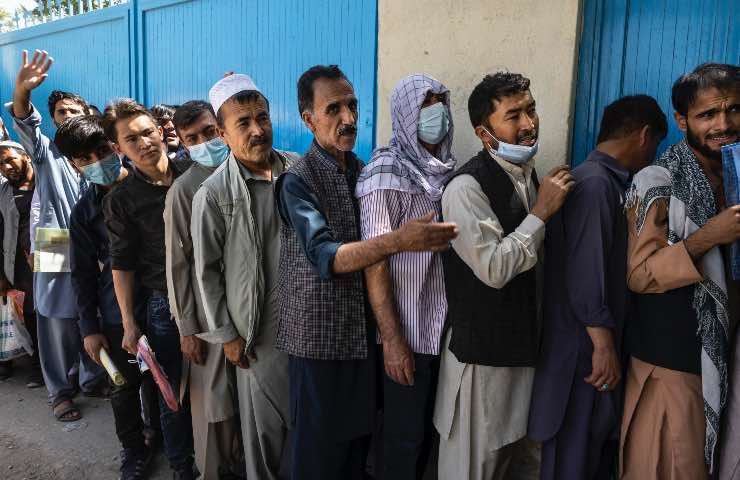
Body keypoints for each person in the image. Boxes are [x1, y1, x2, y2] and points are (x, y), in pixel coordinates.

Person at [276, 64, 458, 480]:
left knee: (357, 451)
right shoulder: (297, 181)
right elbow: (326, 256)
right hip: (319, 343)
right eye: (334, 109)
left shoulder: (360, 170)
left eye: (353, 106)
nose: (348, 118)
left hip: (359, 340)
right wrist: (399, 240)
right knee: (319, 456)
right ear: (309, 119)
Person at [434, 72, 574, 480]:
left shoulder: (527, 173)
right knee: (473, 469)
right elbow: (493, 268)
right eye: (513, 116)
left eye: (531, 110)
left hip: (521, 356)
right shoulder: (465, 188)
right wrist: (541, 212)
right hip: (481, 365)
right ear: (484, 133)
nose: (529, 124)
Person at [527, 95, 667, 480]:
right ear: (644, 136)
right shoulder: (595, 186)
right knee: (570, 461)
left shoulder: (605, 183)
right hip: (582, 355)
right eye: (655, 144)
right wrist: (603, 347)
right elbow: (586, 274)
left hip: (590, 351)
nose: (653, 155)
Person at [621, 63, 739, 480]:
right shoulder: (658, 180)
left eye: (734, 110)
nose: (723, 124)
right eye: (708, 114)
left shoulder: (734, 176)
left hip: (725, 365)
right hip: (673, 369)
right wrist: (706, 237)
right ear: (682, 120)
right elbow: (640, 274)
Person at [191, 74, 300, 479]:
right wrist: (228, 336)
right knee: (264, 435)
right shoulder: (214, 194)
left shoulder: (298, 169)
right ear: (223, 134)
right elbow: (206, 272)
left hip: (305, 324)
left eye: (262, 117)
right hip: (258, 333)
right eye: (243, 122)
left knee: (306, 428)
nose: (257, 130)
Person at [355, 73, 456, 479]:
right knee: (403, 439)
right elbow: (375, 261)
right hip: (405, 333)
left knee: (426, 438)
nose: (436, 111)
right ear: (404, 114)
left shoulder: (443, 171)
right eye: (424, 103)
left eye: (439, 101)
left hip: (440, 331)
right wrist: (393, 341)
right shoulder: (384, 174)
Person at [55, 115, 155, 480]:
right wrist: (90, 328)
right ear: (74, 165)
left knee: (165, 382)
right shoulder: (83, 212)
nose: (97, 162)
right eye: (85, 159)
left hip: (163, 306)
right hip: (116, 317)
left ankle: (166, 439)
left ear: (116, 145)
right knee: (123, 387)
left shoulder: (152, 184)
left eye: (102, 150)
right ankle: (133, 450)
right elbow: (81, 274)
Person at [6, 48, 104, 422]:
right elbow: (25, 121)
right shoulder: (46, 152)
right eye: (60, 113)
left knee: (93, 311)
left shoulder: (101, 156)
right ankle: (60, 391)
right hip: (53, 243)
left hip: (92, 244)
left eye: (73, 111)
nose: (66, 116)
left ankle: (92, 378)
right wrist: (22, 91)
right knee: (55, 320)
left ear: (88, 115)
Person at [102, 98, 196, 480]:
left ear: (160, 131)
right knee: (173, 393)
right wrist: (128, 323)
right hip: (165, 306)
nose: (143, 143)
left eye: (147, 132)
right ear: (118, 148)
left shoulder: (193, 171)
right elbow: (121, 265)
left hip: (214, 296)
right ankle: (181, 465)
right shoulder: (121, 200)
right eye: (131, 139)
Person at [164, 99, 243, 479]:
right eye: (192, 138)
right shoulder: (184, 190)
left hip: (248, 310)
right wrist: (187, 329)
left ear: (222, 129)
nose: (204, 143)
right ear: (182, 143)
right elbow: (178, 265)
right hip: (208, 317)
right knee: (214, 407)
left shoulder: (245, 169)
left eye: (209, 132)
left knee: (246, 407)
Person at [0, 141, 42, 387]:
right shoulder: (3, 192)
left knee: (53, 314)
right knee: (30, 314)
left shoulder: (45, 183)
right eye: (0, 164)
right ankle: (37, 366)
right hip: (17, 264)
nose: (6, 167)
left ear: (26, 156)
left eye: (10, 160)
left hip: (50, 258)